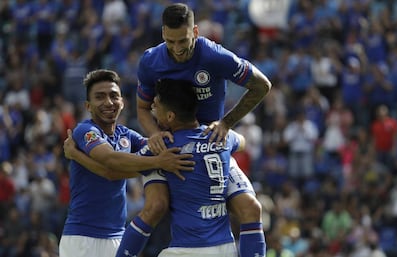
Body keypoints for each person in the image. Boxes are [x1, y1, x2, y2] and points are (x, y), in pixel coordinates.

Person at [133, 3, 271, 257]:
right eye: (170, 41)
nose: (177, 49)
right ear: (163, 33)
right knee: (155, 207)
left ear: (195, 31)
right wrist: (153, 133)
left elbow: (262, 85)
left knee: (251, 208)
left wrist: (227, 122)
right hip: (171, 146)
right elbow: (142, 108)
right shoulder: (151, 61)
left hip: (210, 147)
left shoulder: (214, 57)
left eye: (183, 40)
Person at [59, 69, 194, 257]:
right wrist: (159, 162)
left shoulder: (126, 135)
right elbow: (110, 162)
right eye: (100, 97)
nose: (108, 102)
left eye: (114, 96)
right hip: (83, 237)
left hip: (118, 236)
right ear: (88, 106)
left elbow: (153, 147)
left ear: (122, 102)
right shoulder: (85, 130)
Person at [118, 78, 246, 257]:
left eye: (156, 108)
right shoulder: (222, 137)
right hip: (226, 247)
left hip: (187, 249)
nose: (153, 113)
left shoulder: (165, 145)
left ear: (170, 116)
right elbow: (242, 141)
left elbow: (118, 168)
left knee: (152, 207)